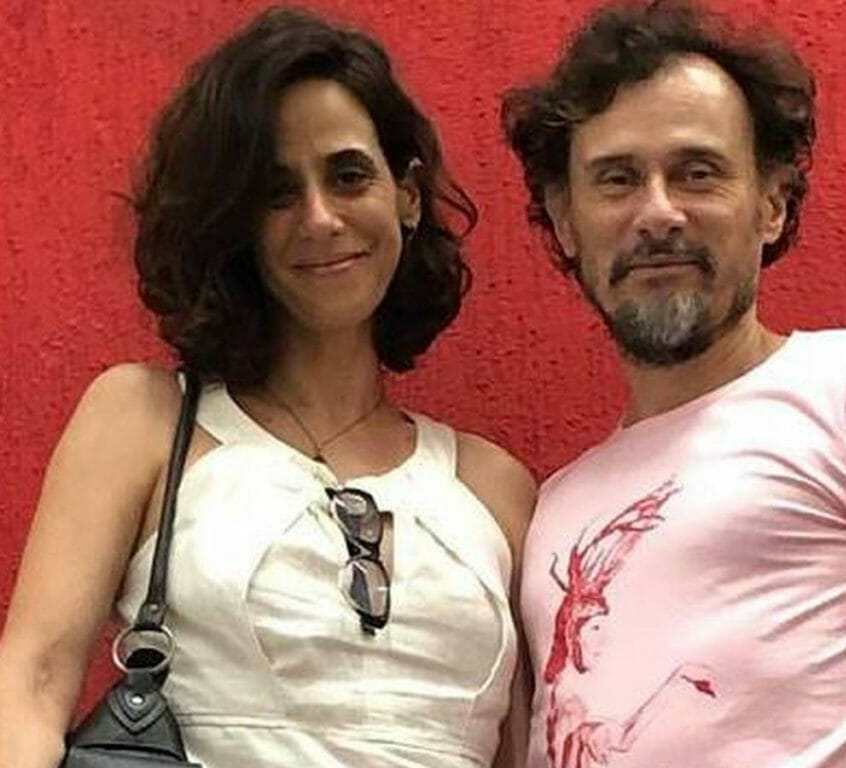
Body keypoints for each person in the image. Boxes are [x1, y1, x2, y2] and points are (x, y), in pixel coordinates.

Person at [0, 7, 535, 768]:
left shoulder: (496, 490)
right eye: (277, 193)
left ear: (408, 195)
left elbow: (526, 745)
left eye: (348, 175)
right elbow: (29, 685)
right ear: (236, 222)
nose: (320, 219)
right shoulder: (143, 421)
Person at [501, 1, 846, 766]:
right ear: (566, 221)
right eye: (617, 179)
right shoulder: (555, 510)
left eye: (698, 173)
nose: (658, 213)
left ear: (771, 204)